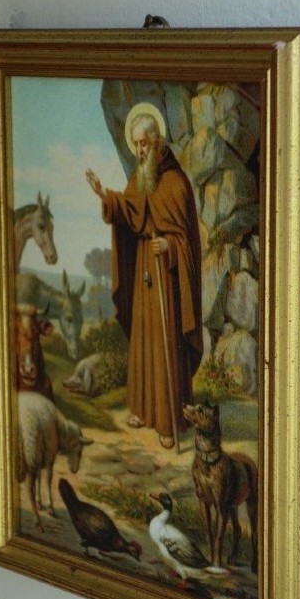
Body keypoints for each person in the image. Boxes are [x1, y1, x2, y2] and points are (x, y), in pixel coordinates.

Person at [86, 105, 202, 449]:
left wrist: (170, 245)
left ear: (157, 141)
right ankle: (142, 409)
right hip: (143, 271)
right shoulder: (140, 179)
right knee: (143, 339)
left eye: (144, 143)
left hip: (166, 276)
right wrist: (105, 196)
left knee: (165, 343)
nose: (139, 150)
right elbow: (129, 209)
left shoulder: (176, 182)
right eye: (135, 144)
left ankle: (168, 422)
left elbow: (187, 241)